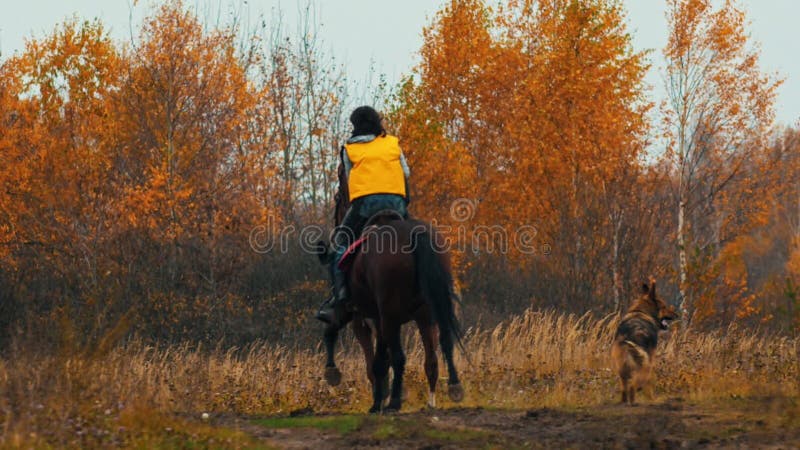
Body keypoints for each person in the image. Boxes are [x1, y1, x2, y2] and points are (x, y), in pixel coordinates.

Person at [315, 106, 410, 327]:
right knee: (415, 237)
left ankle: (339, 298)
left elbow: (349, 178)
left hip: (365, 205)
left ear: (355, 125)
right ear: (377, 122)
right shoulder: (392, 142)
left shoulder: (349, 148)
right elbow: (406, 173)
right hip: (397, 202)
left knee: (340, 243)